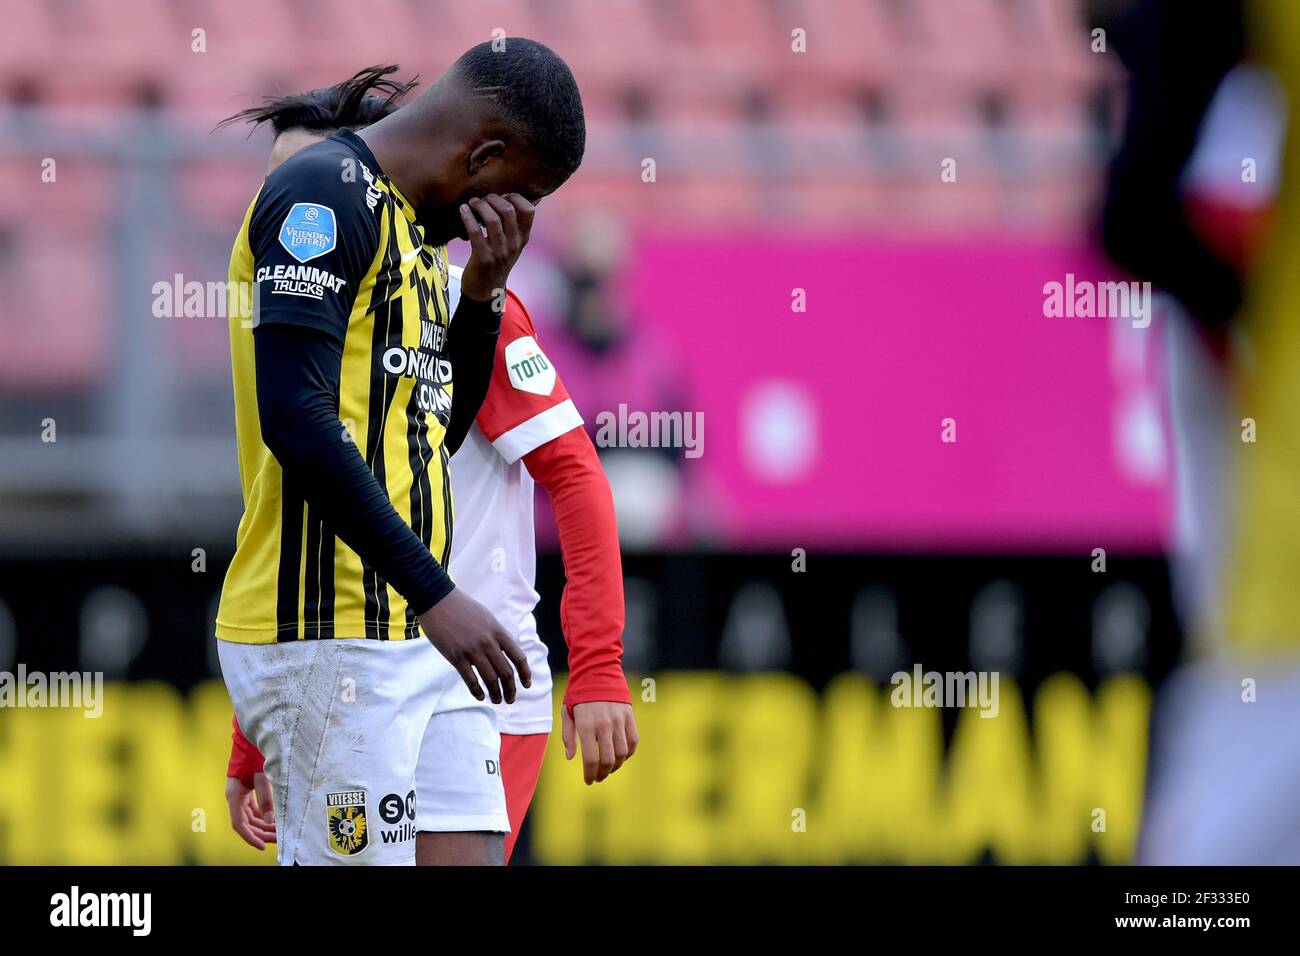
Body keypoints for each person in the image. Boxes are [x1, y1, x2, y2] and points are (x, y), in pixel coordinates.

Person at [216, 40, 587, 866]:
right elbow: (296, 417)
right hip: (329, 628)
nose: (518, 215)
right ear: (484, 155)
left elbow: (433, 435)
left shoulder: (420, 244)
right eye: (521, 192)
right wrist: (436, 594)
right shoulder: (320, 195)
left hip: (411, 632)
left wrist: (484, 297)